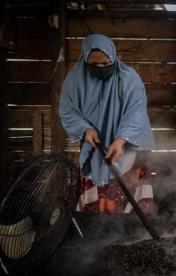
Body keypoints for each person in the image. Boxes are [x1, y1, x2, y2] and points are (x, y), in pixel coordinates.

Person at [59, 34, 156, 213]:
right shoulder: (74, 81)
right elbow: (67, 111)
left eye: (105, 63)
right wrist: (85, 129)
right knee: (98, 194)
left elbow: (136, 111)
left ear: (113, 57)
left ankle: (133, 231)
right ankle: (97, 231)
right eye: (94, 64)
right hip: (95, 144)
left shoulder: (128, 78)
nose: (101, 68)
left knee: (130, 193)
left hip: (129, 143)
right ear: (85, 59)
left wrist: (120, 140)